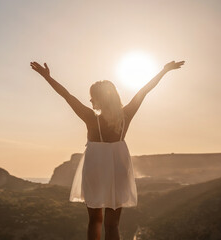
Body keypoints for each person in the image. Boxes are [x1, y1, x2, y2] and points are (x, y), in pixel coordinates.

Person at [30, 60, 185, 240]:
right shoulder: (126, 115)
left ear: (100, 99)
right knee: (113, 225)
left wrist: (47, 77)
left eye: (92, 96)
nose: (90, 100)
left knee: (95, 221)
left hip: (95, 169)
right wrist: (164, 71)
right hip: (118, 169)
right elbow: (144, 91)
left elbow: (66, 95)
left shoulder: (90, 117)